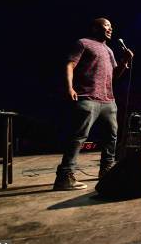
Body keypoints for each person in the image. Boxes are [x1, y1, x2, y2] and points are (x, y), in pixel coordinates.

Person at [53, 18, 134, 190]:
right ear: (95, 27)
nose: (110, 29)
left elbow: (114, 76)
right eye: (107, 26)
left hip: (108, 101)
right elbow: (69, 65)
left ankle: (106, 171)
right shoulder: (83, 43)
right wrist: (69, 87)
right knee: (78, 138)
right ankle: (64, 177)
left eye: (112, 26)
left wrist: (125, 61)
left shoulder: (109, 50)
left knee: (111, 138)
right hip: (87, 98)